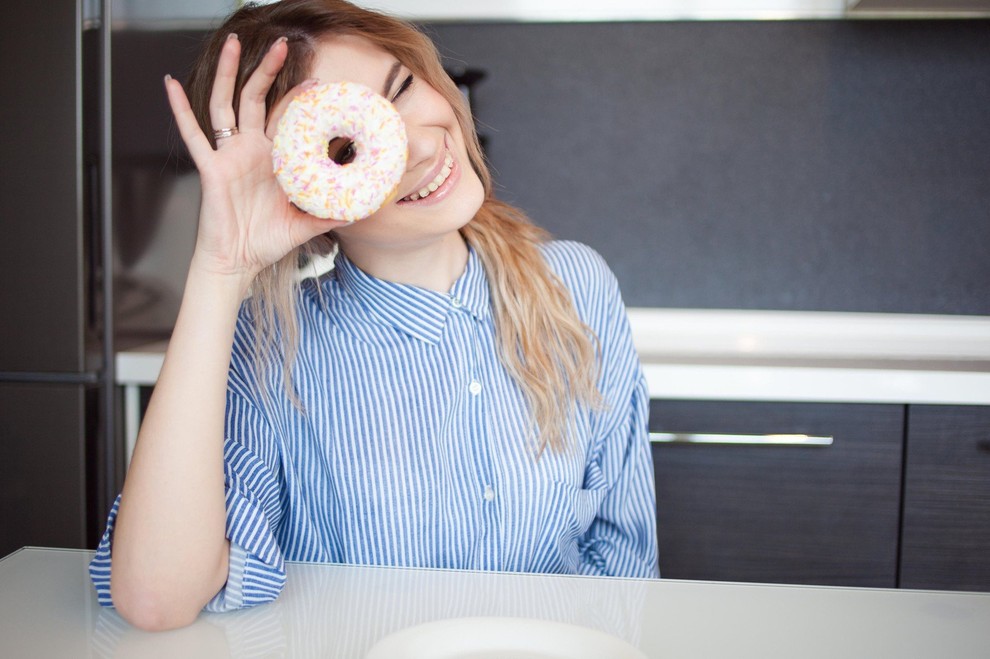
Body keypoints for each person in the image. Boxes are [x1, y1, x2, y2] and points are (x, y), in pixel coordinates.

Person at [89, 0, 658, 631]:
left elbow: (625, 563)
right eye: (347, 144)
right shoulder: (268, 345)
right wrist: (221, 268)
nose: (417, 146)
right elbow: (157, 599)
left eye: (404, 89)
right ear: (297, 187)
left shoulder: (576, 284)